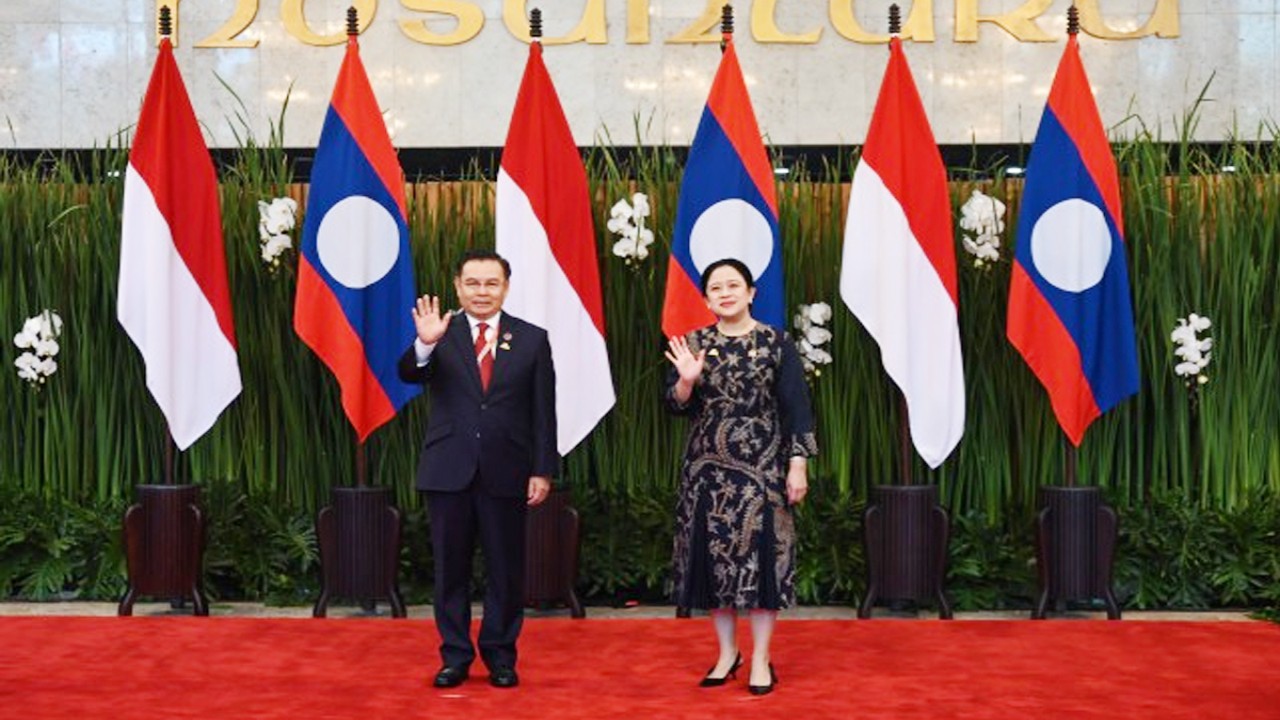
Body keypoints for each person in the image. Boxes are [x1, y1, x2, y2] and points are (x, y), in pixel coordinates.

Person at [398, 249, 557, 690]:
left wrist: (542, 470)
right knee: (451, 570)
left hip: (508, 471)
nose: (482, 291)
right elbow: (409, 372)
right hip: (448, 471)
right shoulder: (439, 333)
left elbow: (544, 412)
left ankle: (501, 657)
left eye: (491, 283)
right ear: (457, 286)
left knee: (506, 571)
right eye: (473, 283)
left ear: (505, 287)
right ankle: (454, 657)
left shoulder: (532, 339)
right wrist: (426, 342)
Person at [664, 258, 818, 696]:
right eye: (716, 287)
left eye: (734, 285)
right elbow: (675, 407)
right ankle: (727, 652)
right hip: (706, 471)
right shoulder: (693, 343)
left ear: (751, 293)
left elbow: (797, 408)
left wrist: (798, 462)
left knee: (763, 563)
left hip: (763, 469)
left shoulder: (776, 343)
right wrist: (687, 383)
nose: (725, 292)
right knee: (715, 565)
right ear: (707, 297)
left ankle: (763, 657)